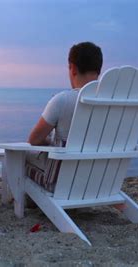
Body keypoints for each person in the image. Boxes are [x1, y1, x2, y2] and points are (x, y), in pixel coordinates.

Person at [25, 42, 103, 192]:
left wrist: (50, 142)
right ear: (98, 70)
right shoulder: (111, 104)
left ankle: (20, 202)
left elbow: (34, 139)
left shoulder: (62, 100)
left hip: (60, 182)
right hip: (98, 183)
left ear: (72, 68)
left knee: (20, 155)